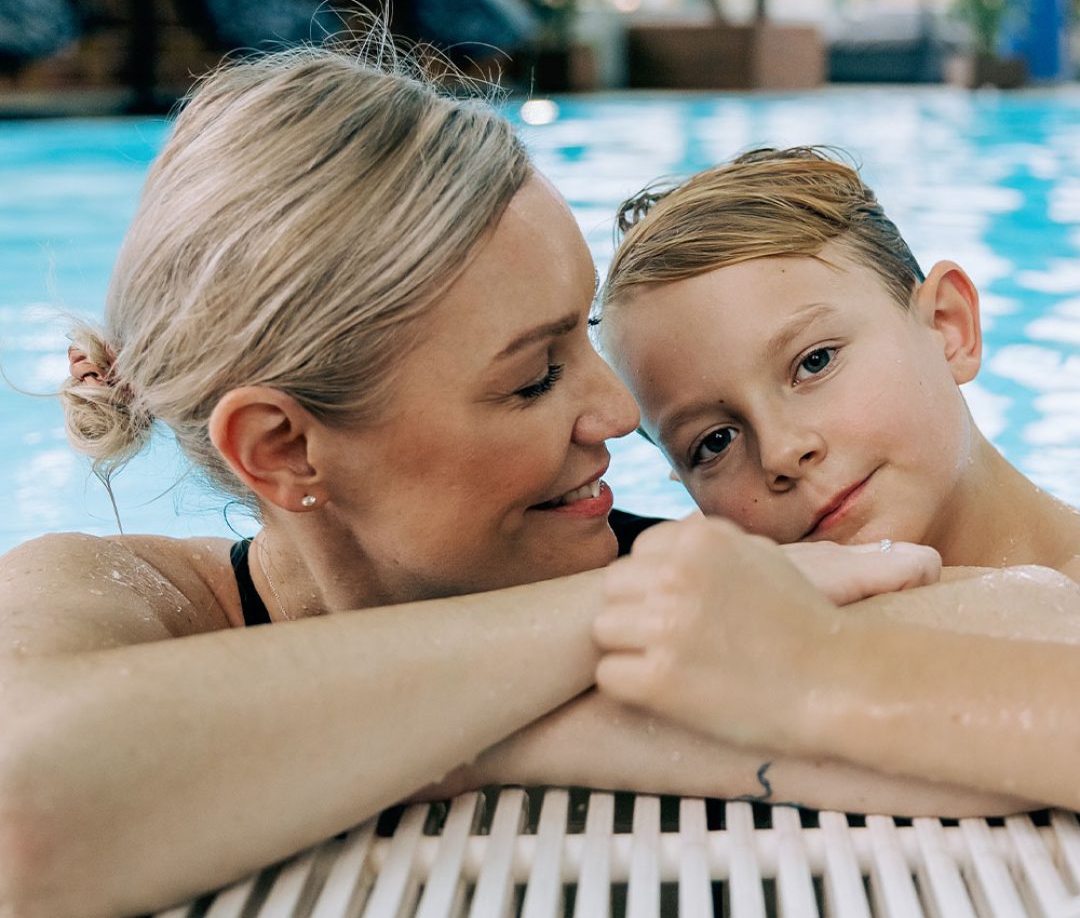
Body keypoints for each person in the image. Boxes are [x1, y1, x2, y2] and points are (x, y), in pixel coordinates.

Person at [0, 56, 1034, 918]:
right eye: (535, 376)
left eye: (585, 341)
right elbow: (23, 812)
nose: (622, 417)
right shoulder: (115, 599)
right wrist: (601, 624)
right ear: (283, 450)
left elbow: (1041, 631)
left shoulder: (699, 579)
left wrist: (464, 736)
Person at [589, 146, 1080, 810]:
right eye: (714, 441)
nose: (783, 453)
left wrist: (814, 661)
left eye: (814, 361)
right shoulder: (715, 623)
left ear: (949, 328)